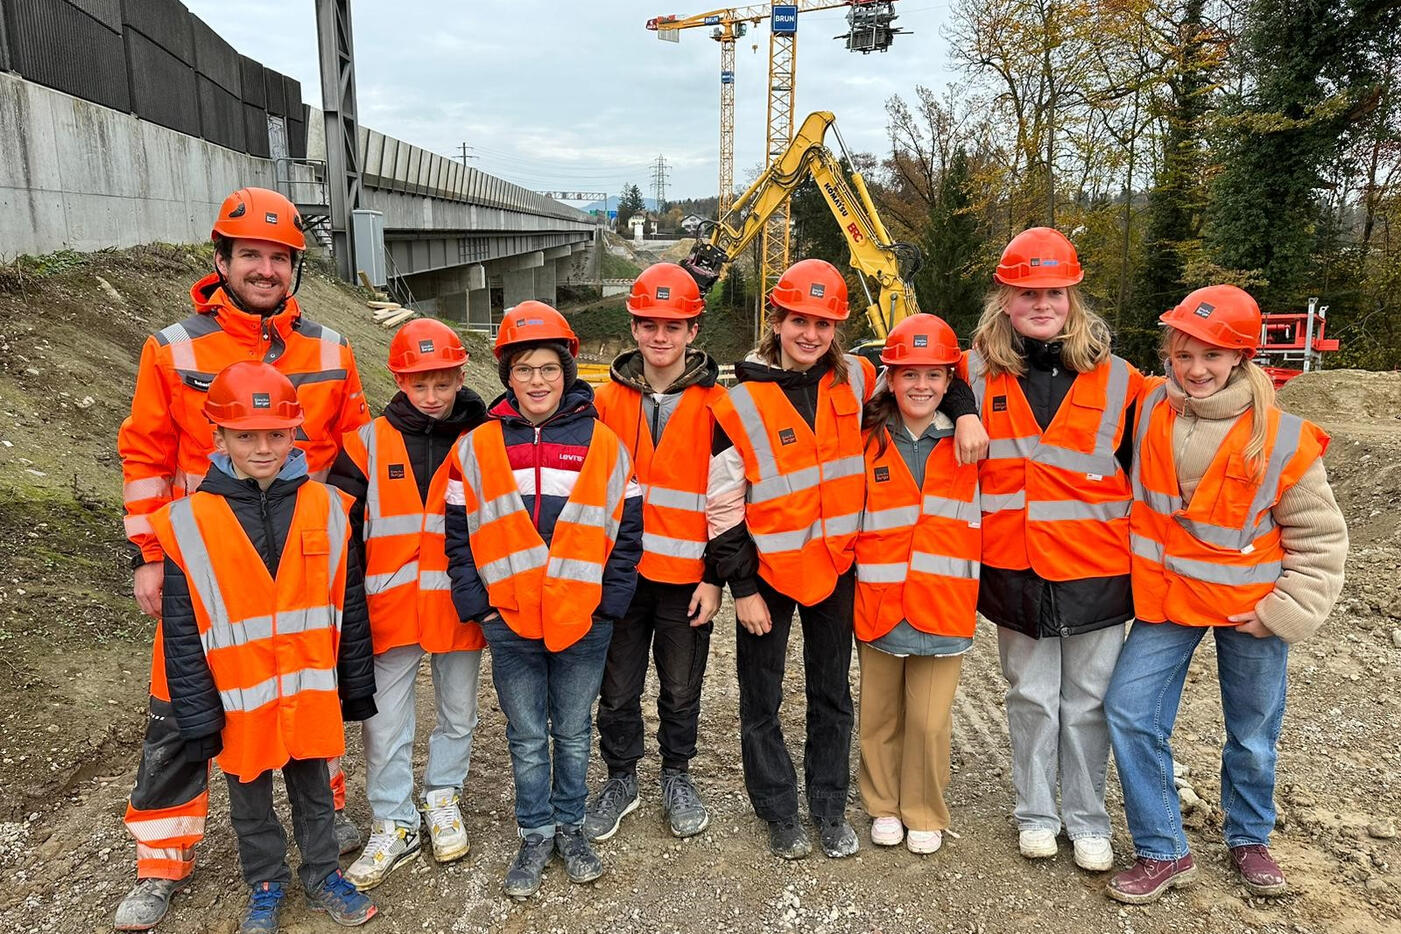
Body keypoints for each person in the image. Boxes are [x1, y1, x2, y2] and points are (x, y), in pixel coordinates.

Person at [115, 187, 370, 930]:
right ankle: (161, 861)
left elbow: (351, 446)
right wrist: (150, 554)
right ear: (221, 260)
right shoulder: (174, 348)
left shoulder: (330, 348)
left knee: (304, 690)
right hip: (206, 562)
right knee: (181, 707)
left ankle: (326, 828)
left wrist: (338, 537)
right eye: (250, 255)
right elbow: (145, 453)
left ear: (296, 268)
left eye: (279, 258)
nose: (264, 270)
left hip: (298, 556)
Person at [707, 258, 983, 860]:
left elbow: (928, 377)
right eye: (799, 320)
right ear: (775, 320)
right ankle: (780, 811)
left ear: (838, 329)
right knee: (762, 698)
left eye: (824, 324)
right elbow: (721, 505)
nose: (810, 334)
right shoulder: (737, 404)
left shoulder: (857, 378)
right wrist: (743, 586)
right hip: (769, 574)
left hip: (836, 568)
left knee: (832, 696)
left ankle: (829, 808)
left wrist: (963, 411)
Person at [1103, 285, 1347, 903]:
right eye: (1183, 355)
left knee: (1253, 730)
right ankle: (1163, 849)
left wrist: (1285, 612)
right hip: (1170, 600)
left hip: (1249, 610)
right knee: (1130, 713)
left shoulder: (1279, 435)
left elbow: (1319, 536)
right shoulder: (1151, 408)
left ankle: (1249, 838)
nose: (1196, 369)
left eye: (1212, 356)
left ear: (1240, 357)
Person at [152, 361, 378, 932]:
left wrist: (355, 685)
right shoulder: (190, 521)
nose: (262, 447)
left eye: (276, 434)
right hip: (238, 701)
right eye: (245, 435)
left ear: (294, 434)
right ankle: (266, 881)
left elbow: (349, 606)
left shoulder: (327, 508)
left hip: (308, 689)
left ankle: (323, 872)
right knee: (249, 800)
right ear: (219, 437)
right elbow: (181, 632)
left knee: (315, 790)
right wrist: (196, 716)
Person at [443, 302, 643, 898]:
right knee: (527, 735)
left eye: (549, 368)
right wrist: (477, 605)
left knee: (574, 731)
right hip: (508, 619)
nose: (537, 380)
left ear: (568, 371)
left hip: (585, 619)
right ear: (507, 374)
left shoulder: (603, 444)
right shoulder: (478, 446)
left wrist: (609, 605)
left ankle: (572, 828)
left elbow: (626, 530)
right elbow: (458, 532)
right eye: (525, 368)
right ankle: (536, 831)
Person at [961, 227, 1143, 871]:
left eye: (1054, 292)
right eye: (1027, 292)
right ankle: (1036, 812)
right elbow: (909, 387)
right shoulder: (975, 374)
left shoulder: (1121, 380)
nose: (1042, 304)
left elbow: (1155, 467)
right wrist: (961, 410)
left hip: (1097, 569)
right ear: (1005, 298)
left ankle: (1088, 819)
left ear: (1073, 297)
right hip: (1015, 566)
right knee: (1031, 696)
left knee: (1089, 702)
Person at [329, 319, 489, 889]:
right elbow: (340, 531)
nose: (431, 396)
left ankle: (442, 796)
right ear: (398, 380)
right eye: (419, 384)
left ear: (458, 376)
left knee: (458, 713)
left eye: (441, 384)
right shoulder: (366, 443)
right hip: (387, 610)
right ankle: (392, 819)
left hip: (457, 606)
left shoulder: (483, 439)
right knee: (385, 721)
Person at [583, 263, 725, 843]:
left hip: (686, 576)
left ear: (694, 329)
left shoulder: (721, 406)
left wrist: (716, 577)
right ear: (634, 326)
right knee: (616, 685)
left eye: (674, 325)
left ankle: (676, 773)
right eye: (649, 324)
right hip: (618, 576)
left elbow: (729, 502)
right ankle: (621, 777)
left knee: (681, 685)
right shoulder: (599, 403)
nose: (660, 337)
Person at [854, 314, 981, 856]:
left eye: (933, 376)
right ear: (890, 376)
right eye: (909, 374)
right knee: (879, 715)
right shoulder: (866, 437)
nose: (921, 386)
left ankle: (924, 808)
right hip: (879, 602)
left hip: (943, 603)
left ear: (950, 382)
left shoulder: (971, 442)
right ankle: (882, 803)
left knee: (929, 722)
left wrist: (969, 412)